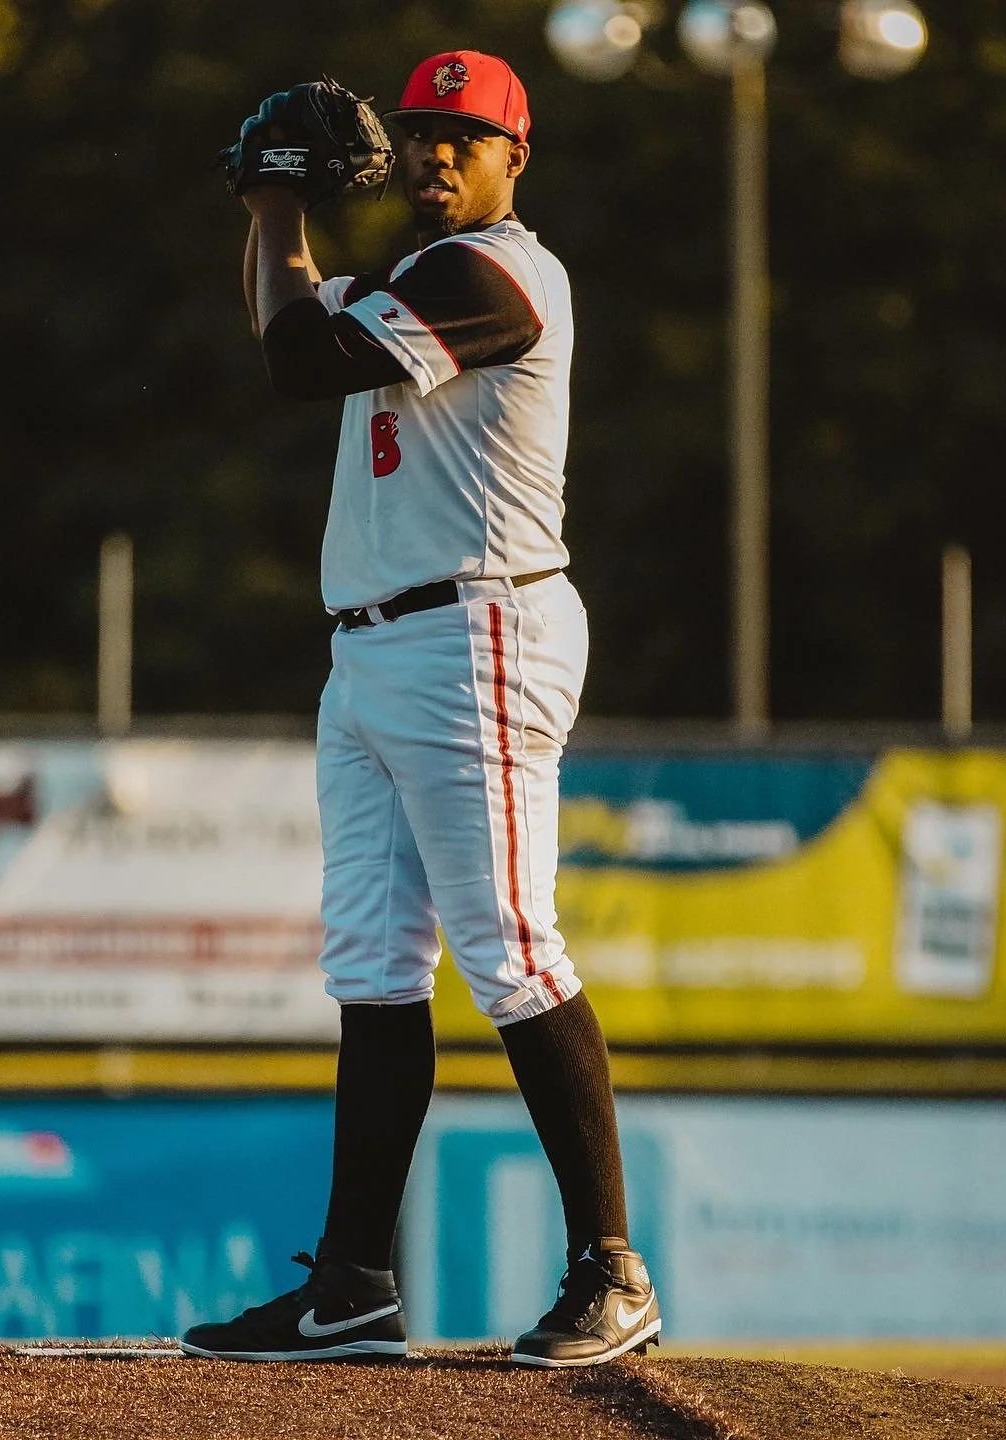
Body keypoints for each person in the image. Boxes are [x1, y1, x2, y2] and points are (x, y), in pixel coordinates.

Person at [180, 50, 660, 1368]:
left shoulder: (498, 273)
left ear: (518, 155)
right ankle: (352, 1286)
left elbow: (297, 360)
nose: (440, 150)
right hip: (379, 645)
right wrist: (262, 220)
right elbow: (291, 318)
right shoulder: (409, 278)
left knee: (511, 947)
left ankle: (613, 1269)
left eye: (468, 134)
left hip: (477, 631)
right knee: (375, 967)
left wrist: (278, 209)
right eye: (424, 130)